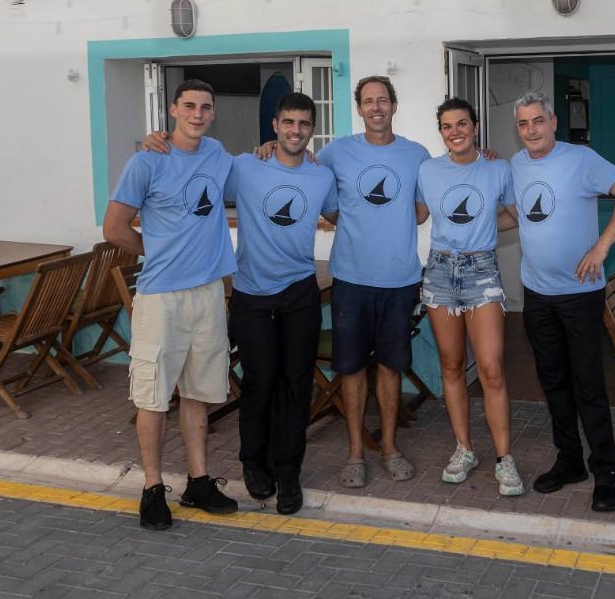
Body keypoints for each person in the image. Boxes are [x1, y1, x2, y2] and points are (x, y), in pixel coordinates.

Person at [103, 79, 239, 531]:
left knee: (199, 393)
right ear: (173, 110)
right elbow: (114, 228)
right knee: (154, 397)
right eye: (189, 106)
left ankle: (198, 481)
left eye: (205, 106)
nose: (197, 114)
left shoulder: (218, 155)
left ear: (212, 112)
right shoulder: (146, 161)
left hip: (207, 294)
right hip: (162, 297)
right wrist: (158, 250)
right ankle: (152, 488)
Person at [509, 91, 615, 513]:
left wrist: (603, 245)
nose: (531, 130)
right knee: (553, 383)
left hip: (579, 295)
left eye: (538, 121)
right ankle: (570, 461)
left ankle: (605, 472)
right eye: (523, 124)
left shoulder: (580, 159)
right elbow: (519, 214)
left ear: (553, 123)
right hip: (536, 293)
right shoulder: (515, 165)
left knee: (588, 385)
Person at [224, 92, 338, 515]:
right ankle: (254, 464)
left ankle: (289, 472)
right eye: (288, 122)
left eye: (304, 124)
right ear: (274, 126)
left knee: (295, 386)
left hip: (299, 294)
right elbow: (197, 179)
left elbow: (341, 214)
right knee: (258, 384)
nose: (296, 130)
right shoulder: (244, 167)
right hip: (252, 295)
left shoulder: (321, 175)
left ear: (312, 129)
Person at [317, 76, 429, 489]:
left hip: (400, 279)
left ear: (394, 105)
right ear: (359, 109)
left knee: (390, 366)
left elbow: (421, 212)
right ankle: (354, 454)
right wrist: (267, 149)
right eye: (368, 101)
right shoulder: (336, 151)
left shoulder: (416, 154)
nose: (376, 107)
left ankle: (389, 448)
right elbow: (308, 179)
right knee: (349, 368)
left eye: (383, 100)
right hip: (350, 278)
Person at [415, 97, 524, 496]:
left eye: (462, 124)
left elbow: (516, 214)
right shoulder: (427, 169)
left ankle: (504, 458)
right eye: (447, 126)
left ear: (475, 127)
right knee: (451, 364)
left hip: (482, 272)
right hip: (440, 271)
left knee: (492, 368)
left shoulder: (497, 168)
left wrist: (485, 229)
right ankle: (464, 449)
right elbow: (417, 214)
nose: (455, 132)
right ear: (441, 132)